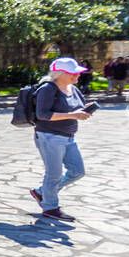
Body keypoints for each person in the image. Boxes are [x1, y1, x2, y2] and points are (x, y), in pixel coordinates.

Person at [28, 58, 89, 221]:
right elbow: (43, 115)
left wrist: (84, 112)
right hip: (49, 136)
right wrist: (73, 115)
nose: (78, 75)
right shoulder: (48, 89)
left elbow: (78, 107)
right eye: (73, 73)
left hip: (69, 137)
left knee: (77, 171)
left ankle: (43, 192)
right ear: (60, 74)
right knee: (54, 174)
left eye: (78, 72)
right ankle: (50, 207)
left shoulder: (73, 89)